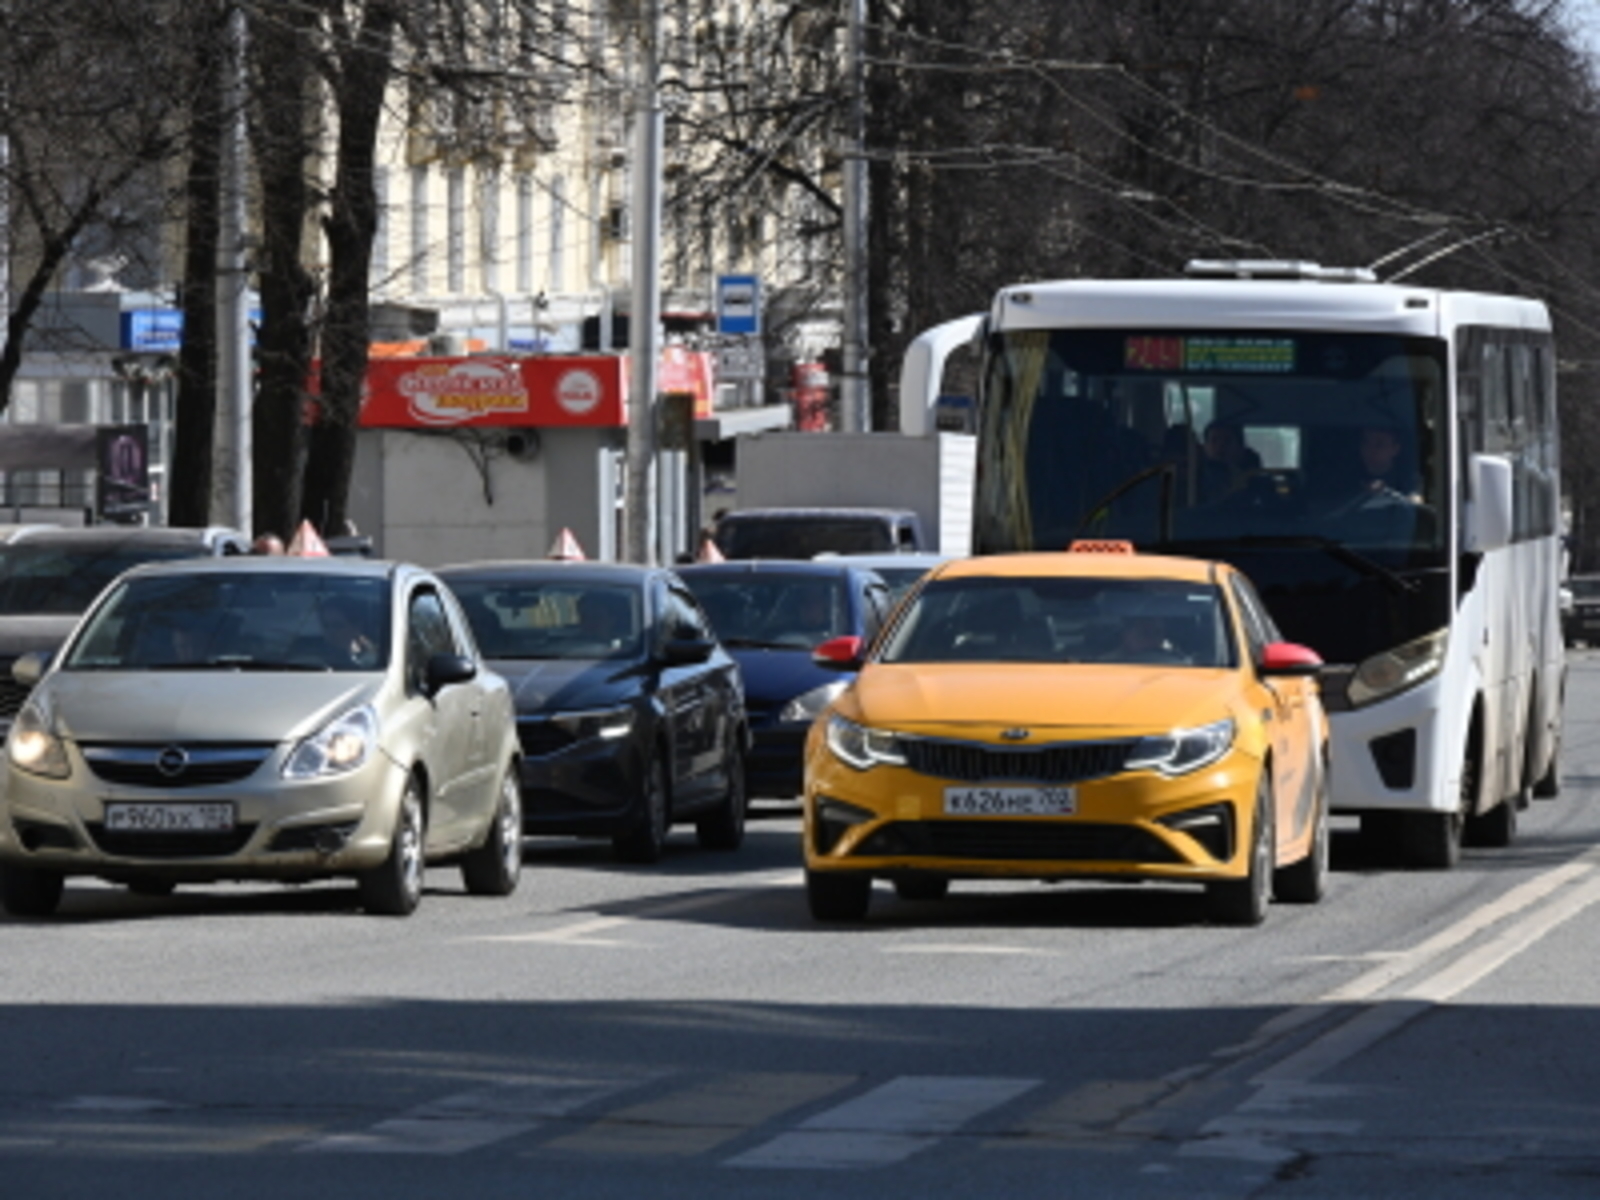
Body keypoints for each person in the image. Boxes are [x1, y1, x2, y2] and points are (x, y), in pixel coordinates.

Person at [320, 598, 379, 667]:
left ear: (357, 626)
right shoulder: (314, 657)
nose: (330, 632)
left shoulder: (372, 659)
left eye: (337, 626)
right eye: (326, 625)